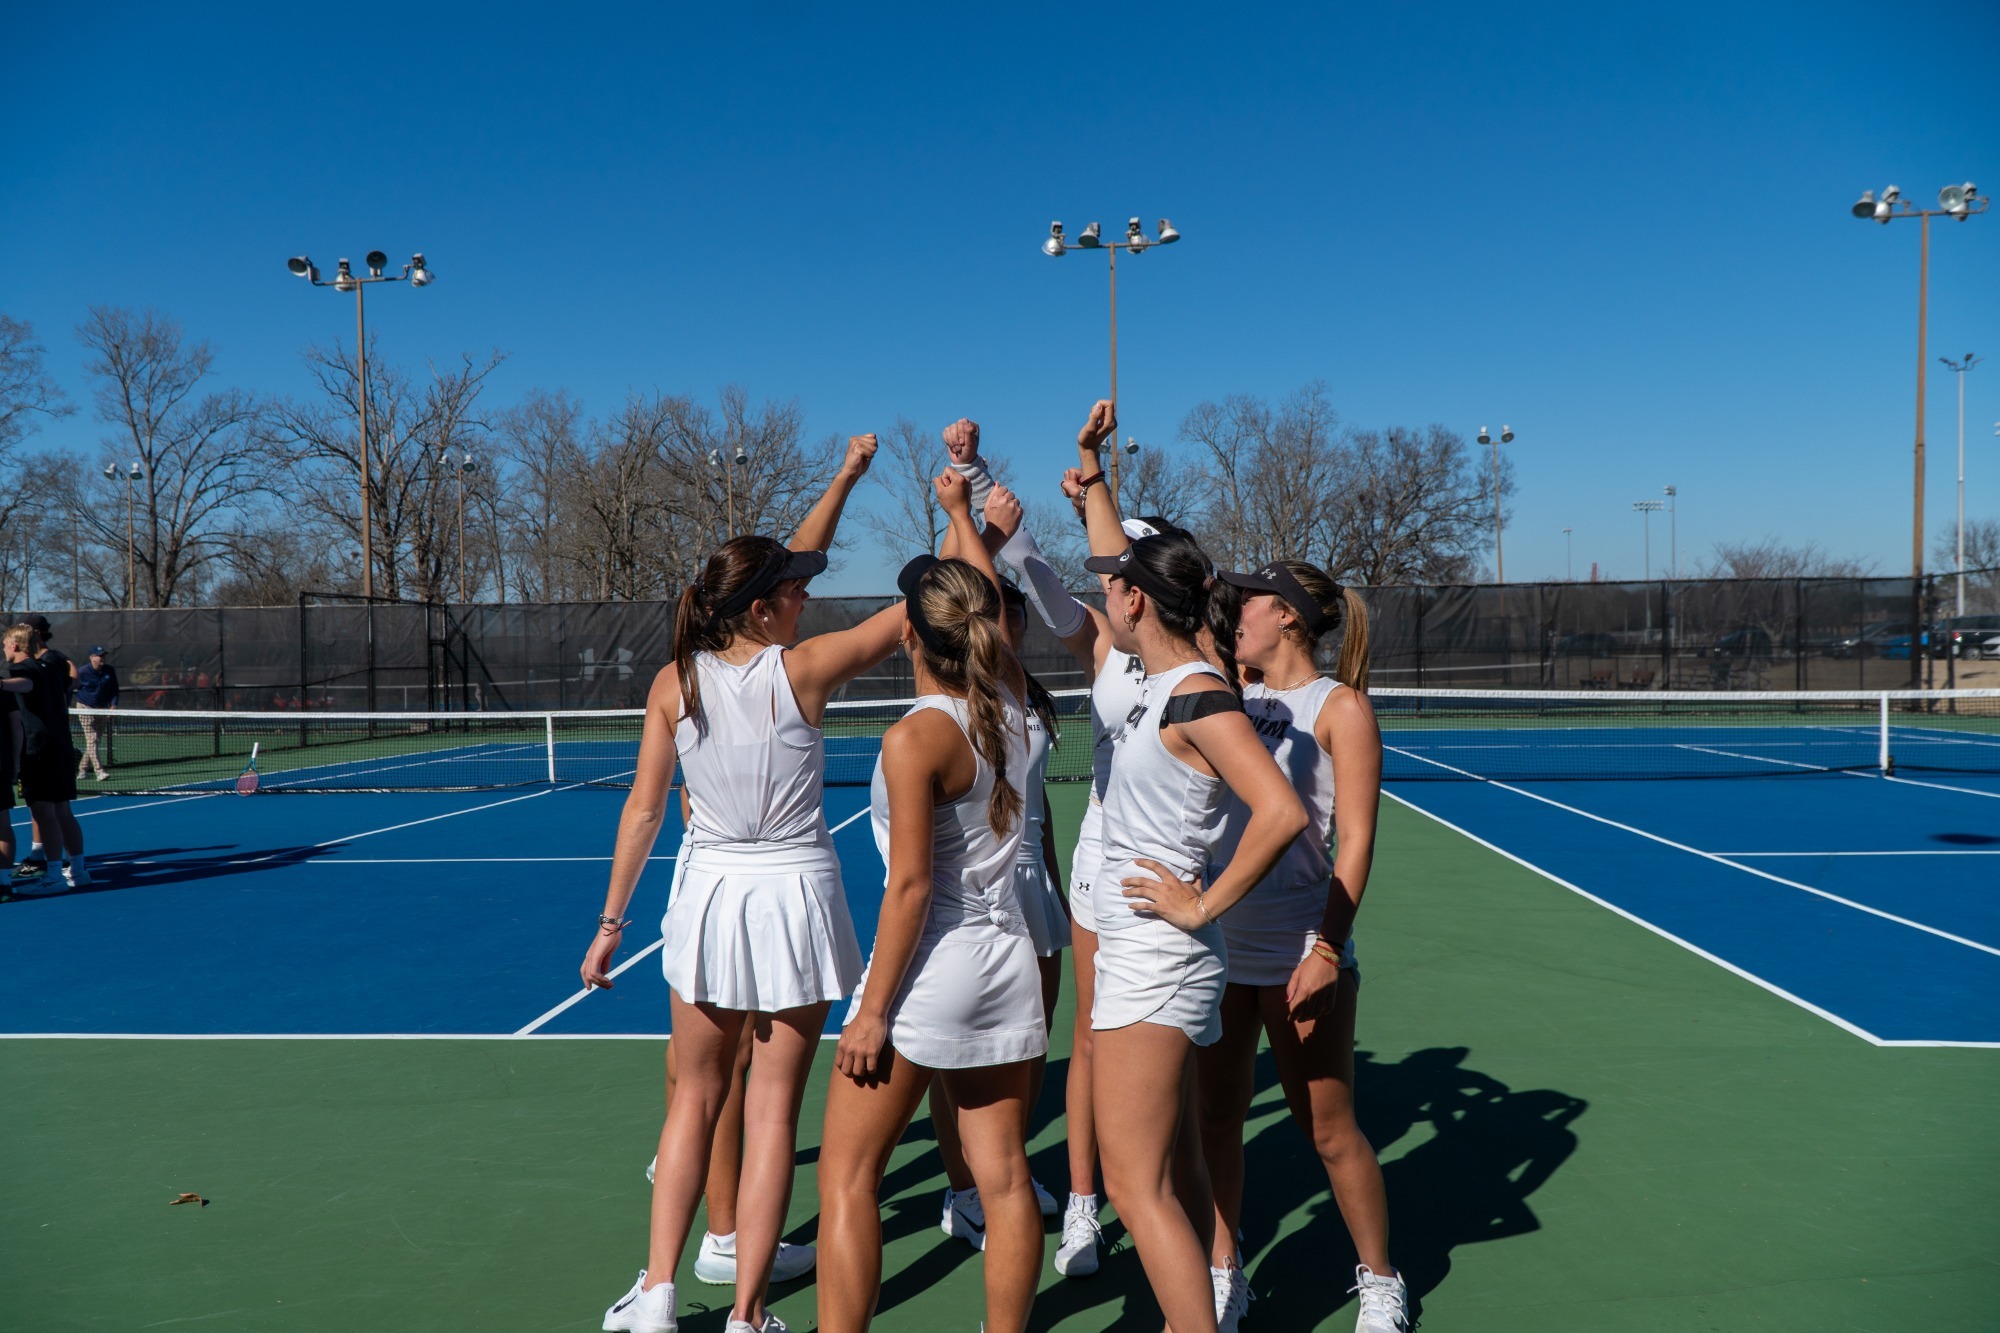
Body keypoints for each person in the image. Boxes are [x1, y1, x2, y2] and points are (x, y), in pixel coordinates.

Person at [584, 434, 901, 1333]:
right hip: (794, 896)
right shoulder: (803, 668)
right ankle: (748, 1315)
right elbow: (912, 611)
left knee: (692, 1099)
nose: (809, 595)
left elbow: (644, 813)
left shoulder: (673, 681)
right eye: (795, 591)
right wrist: (971, 533)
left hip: (712, 897)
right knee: (770, 1118)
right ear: (762, 610)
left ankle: (656, 1294)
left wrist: (611, 924)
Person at [1075, 416, 1308, 1333]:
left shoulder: (1202, 692)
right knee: (1167, 1171)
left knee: (1137, 1186)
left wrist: (1202, 899)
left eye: (1116, 587)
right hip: (1150, 948)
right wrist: (1095, 476)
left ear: (1139, 603)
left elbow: (1281, 812)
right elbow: (1111, 557)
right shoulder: (1161, 681)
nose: (1107, 591)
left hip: (1159, 953)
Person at [817, 503, 1046, 1333]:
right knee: (1007, 1177)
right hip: (1008, 962)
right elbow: (982, 600)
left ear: (910, 635)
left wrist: (872, 1010)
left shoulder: (914, 738)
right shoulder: (1016, 702)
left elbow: (910, 887)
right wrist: (962, 513)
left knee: (846, 1176)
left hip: (933, 972)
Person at [1197, 559, 1408, 1332]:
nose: (1236, 612)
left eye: (1250, 600)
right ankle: (1226, 1269)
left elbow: (1354, 843)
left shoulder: (1339, 707)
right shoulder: (1230, 695)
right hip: (1221, 951)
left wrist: (1326, 947)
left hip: (1300, 950)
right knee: (1216, 1115)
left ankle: (1381, 1279)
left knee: (1326, 1125)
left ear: (1288, 615)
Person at [927, 495, 1067, 1248]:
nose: (1009, 627)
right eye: (996, 615)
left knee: (1027, 1047)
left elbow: (1040, 805)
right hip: (976, 896)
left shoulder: (1028, 700)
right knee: (962, 1060)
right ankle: (963, 1189)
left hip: (1035, 888)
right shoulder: (976, 694)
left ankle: (1002, 1166)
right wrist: (966, 511)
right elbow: (957, 584)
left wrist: (1055, 879)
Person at [4, 625, 88, 889]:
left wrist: (2, 684)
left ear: (15, 646)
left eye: (5, 644)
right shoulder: (51, 669)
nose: (4, 648)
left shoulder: (23, 669)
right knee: (63, 811)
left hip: (39, 751)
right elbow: (73, 679)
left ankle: (53, 874)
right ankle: (78, 871)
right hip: (61, 747)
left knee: (44, 813)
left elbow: (26, 683)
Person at [18, 614, 76, 875]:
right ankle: (53, 860)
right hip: (53, 744)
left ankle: (52, 867)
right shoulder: (44, 664)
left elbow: (73, 675)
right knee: (47, 808)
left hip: (45, 747)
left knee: (49, 809)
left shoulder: (45, 663)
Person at [75, 645, 119, 781]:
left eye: (103, 655)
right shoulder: (82, 672)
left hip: (102, 709)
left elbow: (115, 689)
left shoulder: (109, 671)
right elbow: (70, 686)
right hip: (84, 707)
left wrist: (113, 706)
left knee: (94, 741)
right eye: (99, 655)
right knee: (92, 738)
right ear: (92, 658)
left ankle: (82, 769)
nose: (102, 658)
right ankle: (99, 771)